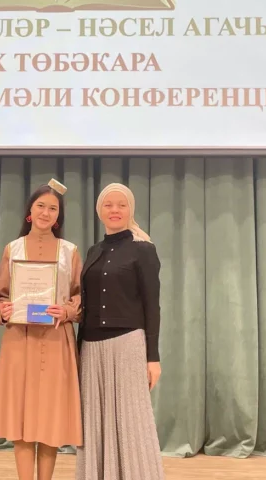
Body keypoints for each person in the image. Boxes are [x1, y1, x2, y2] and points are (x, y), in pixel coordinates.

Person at [0, 179, 83, 480]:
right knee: (21, 417)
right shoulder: (12, 248)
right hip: (20, 342)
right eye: (41, 206)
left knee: (49, 419)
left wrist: (67, 310)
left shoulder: (70, 252)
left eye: (53, 208)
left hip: (57, 341)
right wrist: (2, 310)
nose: (46, 212)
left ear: (59, 216)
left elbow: (81, 297)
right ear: (29, 212)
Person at [75, 182, 164, 480]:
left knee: (131, 419)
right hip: (91, 348)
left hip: (128, 344)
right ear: (99, 210)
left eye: (121, 205)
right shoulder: (93, 251)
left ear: (130, 210)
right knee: (94, 419)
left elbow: (152, 306)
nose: (115, 210)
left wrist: (153, 357)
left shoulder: (144, 250)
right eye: (108, 205)